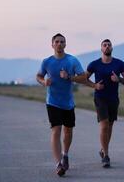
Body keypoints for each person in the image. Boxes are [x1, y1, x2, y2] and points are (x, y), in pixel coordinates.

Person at [36, 33, 86, 176]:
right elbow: (38, 76)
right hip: (52, 102)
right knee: (56, 130)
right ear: (52, 45)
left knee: (68, 131)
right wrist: (43, 82)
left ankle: (65, 154)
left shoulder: (72, 60)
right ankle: (58, 164)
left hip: (68, 103)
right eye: (56, 42)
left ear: (65, 44)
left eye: (62, 42)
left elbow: (83, 77)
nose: (59, 44)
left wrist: (69, 77)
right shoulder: (47, 62)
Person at [85, 39, 124, 168]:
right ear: (101, 48)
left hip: (113, 98)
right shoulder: (94, 64)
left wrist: (119, 79)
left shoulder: (119, 64)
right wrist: (94, 85)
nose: (107, 47)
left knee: (110, 125)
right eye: (104, 45)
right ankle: (106, 155)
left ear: (112, 48)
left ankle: (103, 149)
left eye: (109, 45)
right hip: (100, 97)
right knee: (104, 125)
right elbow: (83, 79)